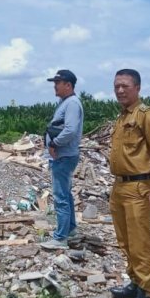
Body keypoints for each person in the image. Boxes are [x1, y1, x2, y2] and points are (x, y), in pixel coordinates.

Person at [108, 69, 150, 298]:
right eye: (116, 86)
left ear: (138, 88)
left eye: (125, 86)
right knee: (125, 241)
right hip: (120, 187)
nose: (120, 90)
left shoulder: (146, 115)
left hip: (139, 188)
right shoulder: (122, 118)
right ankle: (135, 283)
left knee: (140, 243)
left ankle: (147, 295)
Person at [39, 70, 84, 250]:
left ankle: (61, 238)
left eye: (58, 82)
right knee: (66, 193)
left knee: (60, 197)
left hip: (63, 156)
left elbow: (71, 130)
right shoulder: (65, 102)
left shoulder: (72, 104)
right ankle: (71, 229)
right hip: (63, 155)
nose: (55, 86)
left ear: (68, 85)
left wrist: (54, 144)